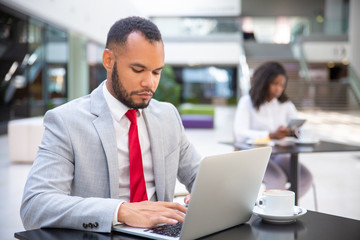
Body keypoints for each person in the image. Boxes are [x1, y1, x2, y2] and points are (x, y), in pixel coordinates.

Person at [20, 16, 202, 233]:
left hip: (163, 234)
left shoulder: (167, 116)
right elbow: (35, 206)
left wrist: (206, 192)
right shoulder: (66, 121)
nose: (149, 83)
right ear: (108, 60)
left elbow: (198, 175)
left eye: (156, 72)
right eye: (138, 70)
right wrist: (121, 211)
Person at [233, 62, 312, 197]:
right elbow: (240, 133)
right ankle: (271, 210)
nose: (278, 89)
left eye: (282, 85)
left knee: (305, 176)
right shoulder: (247, 102)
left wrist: (291, 131)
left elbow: (298, 128)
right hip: (255, 156)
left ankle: (283, 206)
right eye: (275, 84)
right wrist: (270, 135)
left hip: (279, 153)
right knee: (277, 178)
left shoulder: (285, 104)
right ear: (264, 82)